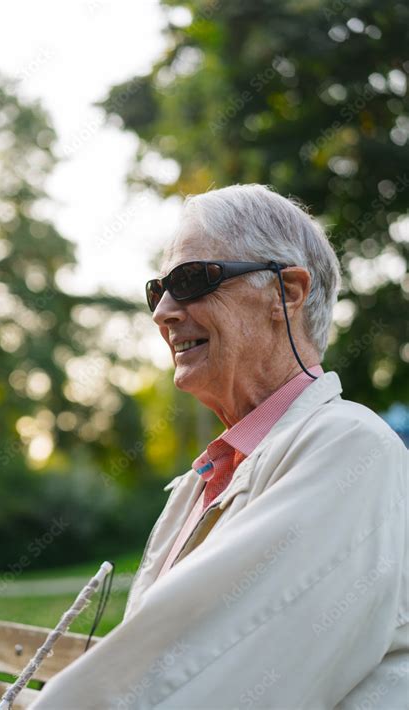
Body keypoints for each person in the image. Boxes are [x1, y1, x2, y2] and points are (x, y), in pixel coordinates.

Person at [30, 184, 408, 709]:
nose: (163, 311)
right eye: (157, 290)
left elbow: (199, 681)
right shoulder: (204, 478)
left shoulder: (352, 449)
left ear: (288, 293)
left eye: (190, 280)